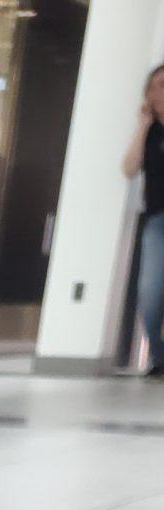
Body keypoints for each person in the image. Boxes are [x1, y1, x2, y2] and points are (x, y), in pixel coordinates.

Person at [122, 61, 164, 379]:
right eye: (152, 86)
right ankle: (158, 357)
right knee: (149, 291)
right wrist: (142, 125)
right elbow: (129, 169)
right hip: (156, 221)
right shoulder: (149, 132)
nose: (156, 91)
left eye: (161, 85)